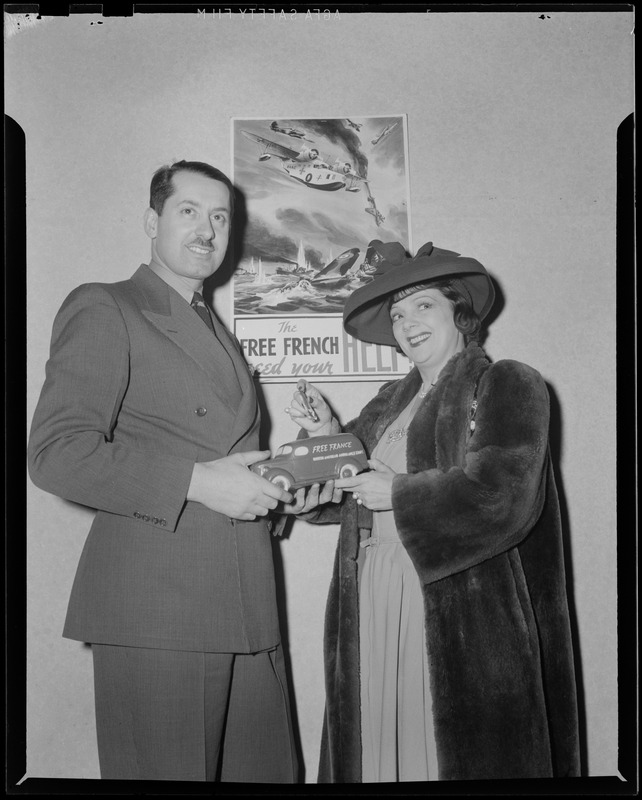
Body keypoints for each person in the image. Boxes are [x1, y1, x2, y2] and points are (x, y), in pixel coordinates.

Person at [28, 160, 301, 783]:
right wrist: (201, 483)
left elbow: (227, 462)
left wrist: (279, 492)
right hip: (158, 610)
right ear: (152, 221)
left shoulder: (214, 327)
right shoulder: (107, 306)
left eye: (220, 217)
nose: (207, 229)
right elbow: (56, 453)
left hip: (247, 607)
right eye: (189, 211)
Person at [286, 240, 581, 783]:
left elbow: (502, 502)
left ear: (459, 313)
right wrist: (325, 437)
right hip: (372, 598)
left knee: (443, 755)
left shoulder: (507, 382)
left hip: (453, 613)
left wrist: (398, 494)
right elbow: (349, 489)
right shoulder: (387, 402)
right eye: (398, 314)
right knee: (375, 752)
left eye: (424, 305)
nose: (407, 322)